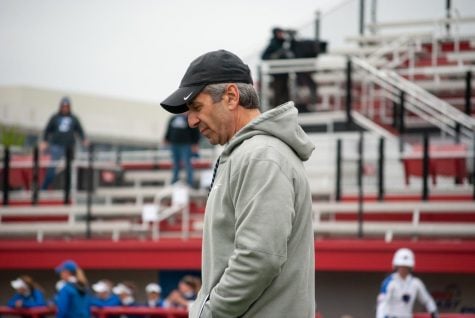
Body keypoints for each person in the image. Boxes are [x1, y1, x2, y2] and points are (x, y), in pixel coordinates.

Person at [160, 49, 316, 317]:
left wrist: (207, 314)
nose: (191, 120)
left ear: (231, 97)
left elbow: (258, 257)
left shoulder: (261, 156)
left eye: (197, 107)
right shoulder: (251, 153)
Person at [376, 248, 439, 318]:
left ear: (410, 267)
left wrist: (433, 312)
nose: (403, 269)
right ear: (396, 266)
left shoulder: (416, 283)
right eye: (401, 266)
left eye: (406, 267)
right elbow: (383, 304)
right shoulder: (389, 282)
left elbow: (427, 300)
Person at [40, 96, 88, 190]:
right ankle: (44, 189)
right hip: (56, 146)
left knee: (70, 169)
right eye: (63, 106)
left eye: (67, 106)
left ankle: (68, 190)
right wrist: (44, 141)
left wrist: (83, 139)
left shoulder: (74, 118)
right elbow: (47, 130)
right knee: (52, 168)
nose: (65, 108)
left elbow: (80, 130)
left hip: (69, 147)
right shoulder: (55, 117)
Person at [163, 113, 200, 187]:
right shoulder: (173, 118)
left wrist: (195, 143)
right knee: (175, 164)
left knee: (187, 163)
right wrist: (166, 139)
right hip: (174, 144)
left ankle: (190, 182)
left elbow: (195, 132)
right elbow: (169, 130)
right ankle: (174, 181)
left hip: (186, 144)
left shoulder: (188, 118)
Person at [261, 27, 293, 107]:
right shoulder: (273, 44)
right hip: (277, 74)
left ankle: (286, 109)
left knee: (286, 93)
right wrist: (276, 55)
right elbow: (264, 56)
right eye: (280, 33)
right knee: (278, 93)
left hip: (285, 72)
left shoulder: (285, 43)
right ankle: (276, 110)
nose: (282, 34)